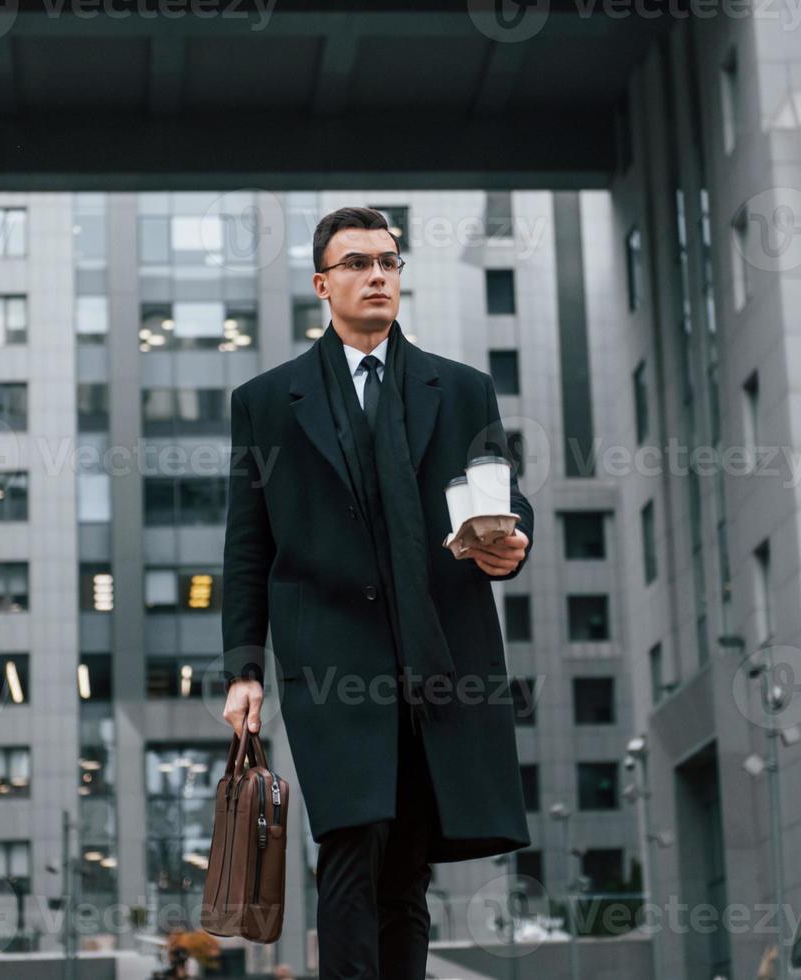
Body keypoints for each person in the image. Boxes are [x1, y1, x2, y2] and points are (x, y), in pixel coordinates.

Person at [219, 207, 534, 979]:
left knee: (408, 871)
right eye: (358, 263)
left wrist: (514, 537)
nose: (378, 276)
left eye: (389, 263)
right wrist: (243, 668)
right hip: (328, 659)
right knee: (352, 847)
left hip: (437, 655)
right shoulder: (268, 402)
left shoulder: (461, 390)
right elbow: (247, 543)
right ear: (324, 284)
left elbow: (497, 492)